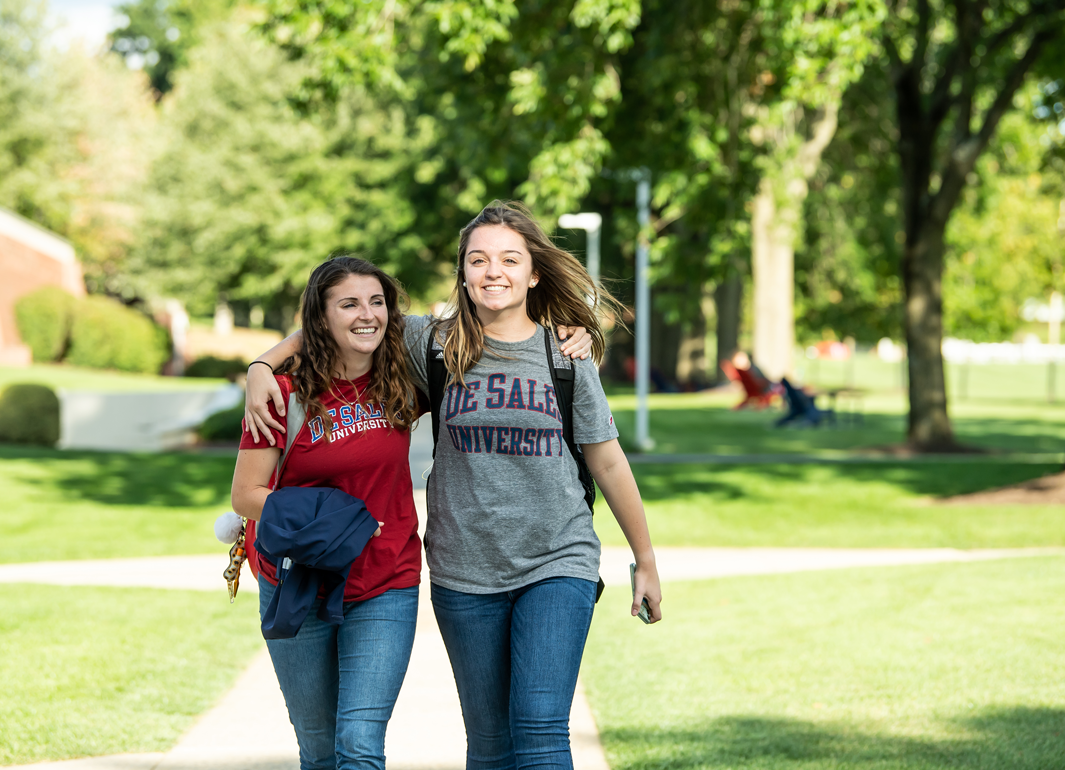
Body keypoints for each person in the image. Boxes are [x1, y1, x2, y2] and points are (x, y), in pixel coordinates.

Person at [246, 202, 662, 768]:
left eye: (510, 259)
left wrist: (645, 559)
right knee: (488, 744)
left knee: (541, 732)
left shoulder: (565, 357)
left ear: (533, 272)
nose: (494, 271)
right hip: (464, 571)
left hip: (558, 559)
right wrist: (261, 366)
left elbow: (610, 463)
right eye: (479, 259)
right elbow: (341, 319)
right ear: (463, 273)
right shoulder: (432, 345)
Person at [230, 256, 424, 770]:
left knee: (359, 746)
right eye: (349, 304)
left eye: (377, 302)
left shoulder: (404, 378)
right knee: (318, 751)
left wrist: (563, 325)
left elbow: (488, 328)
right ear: (320, 318)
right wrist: (336, 518)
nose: (368, 315)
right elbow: (246, 495)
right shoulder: (282, 394)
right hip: (296, 582)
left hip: (386, 580)